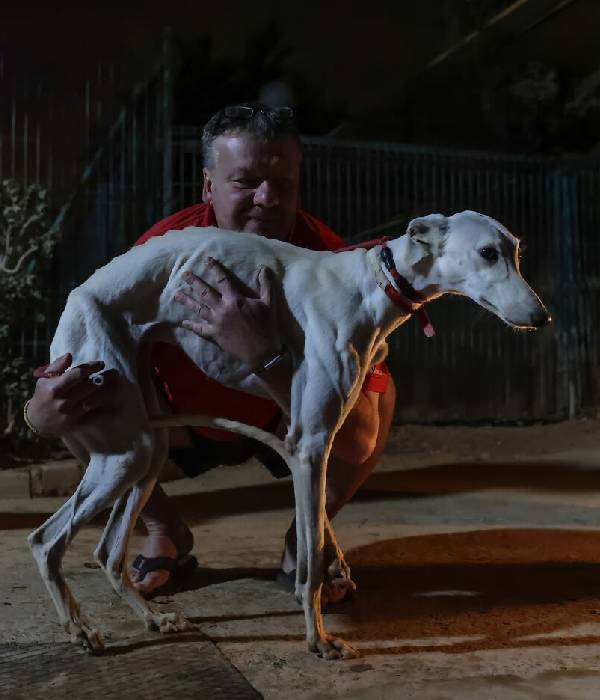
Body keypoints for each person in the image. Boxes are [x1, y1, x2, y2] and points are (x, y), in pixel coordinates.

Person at [25, 103, 397, 599]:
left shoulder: (330, 262)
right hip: (180, 426)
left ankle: (302, 541)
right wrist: (39, 414)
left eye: (282, 184)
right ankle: (165, 532)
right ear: (208, 187)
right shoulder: (163, 250)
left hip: (282, 419)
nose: (266, 199)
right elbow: (79, 364)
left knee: (380, 395)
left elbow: (355, 442)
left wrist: (264, 359)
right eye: (244, 182)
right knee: (83, 404)